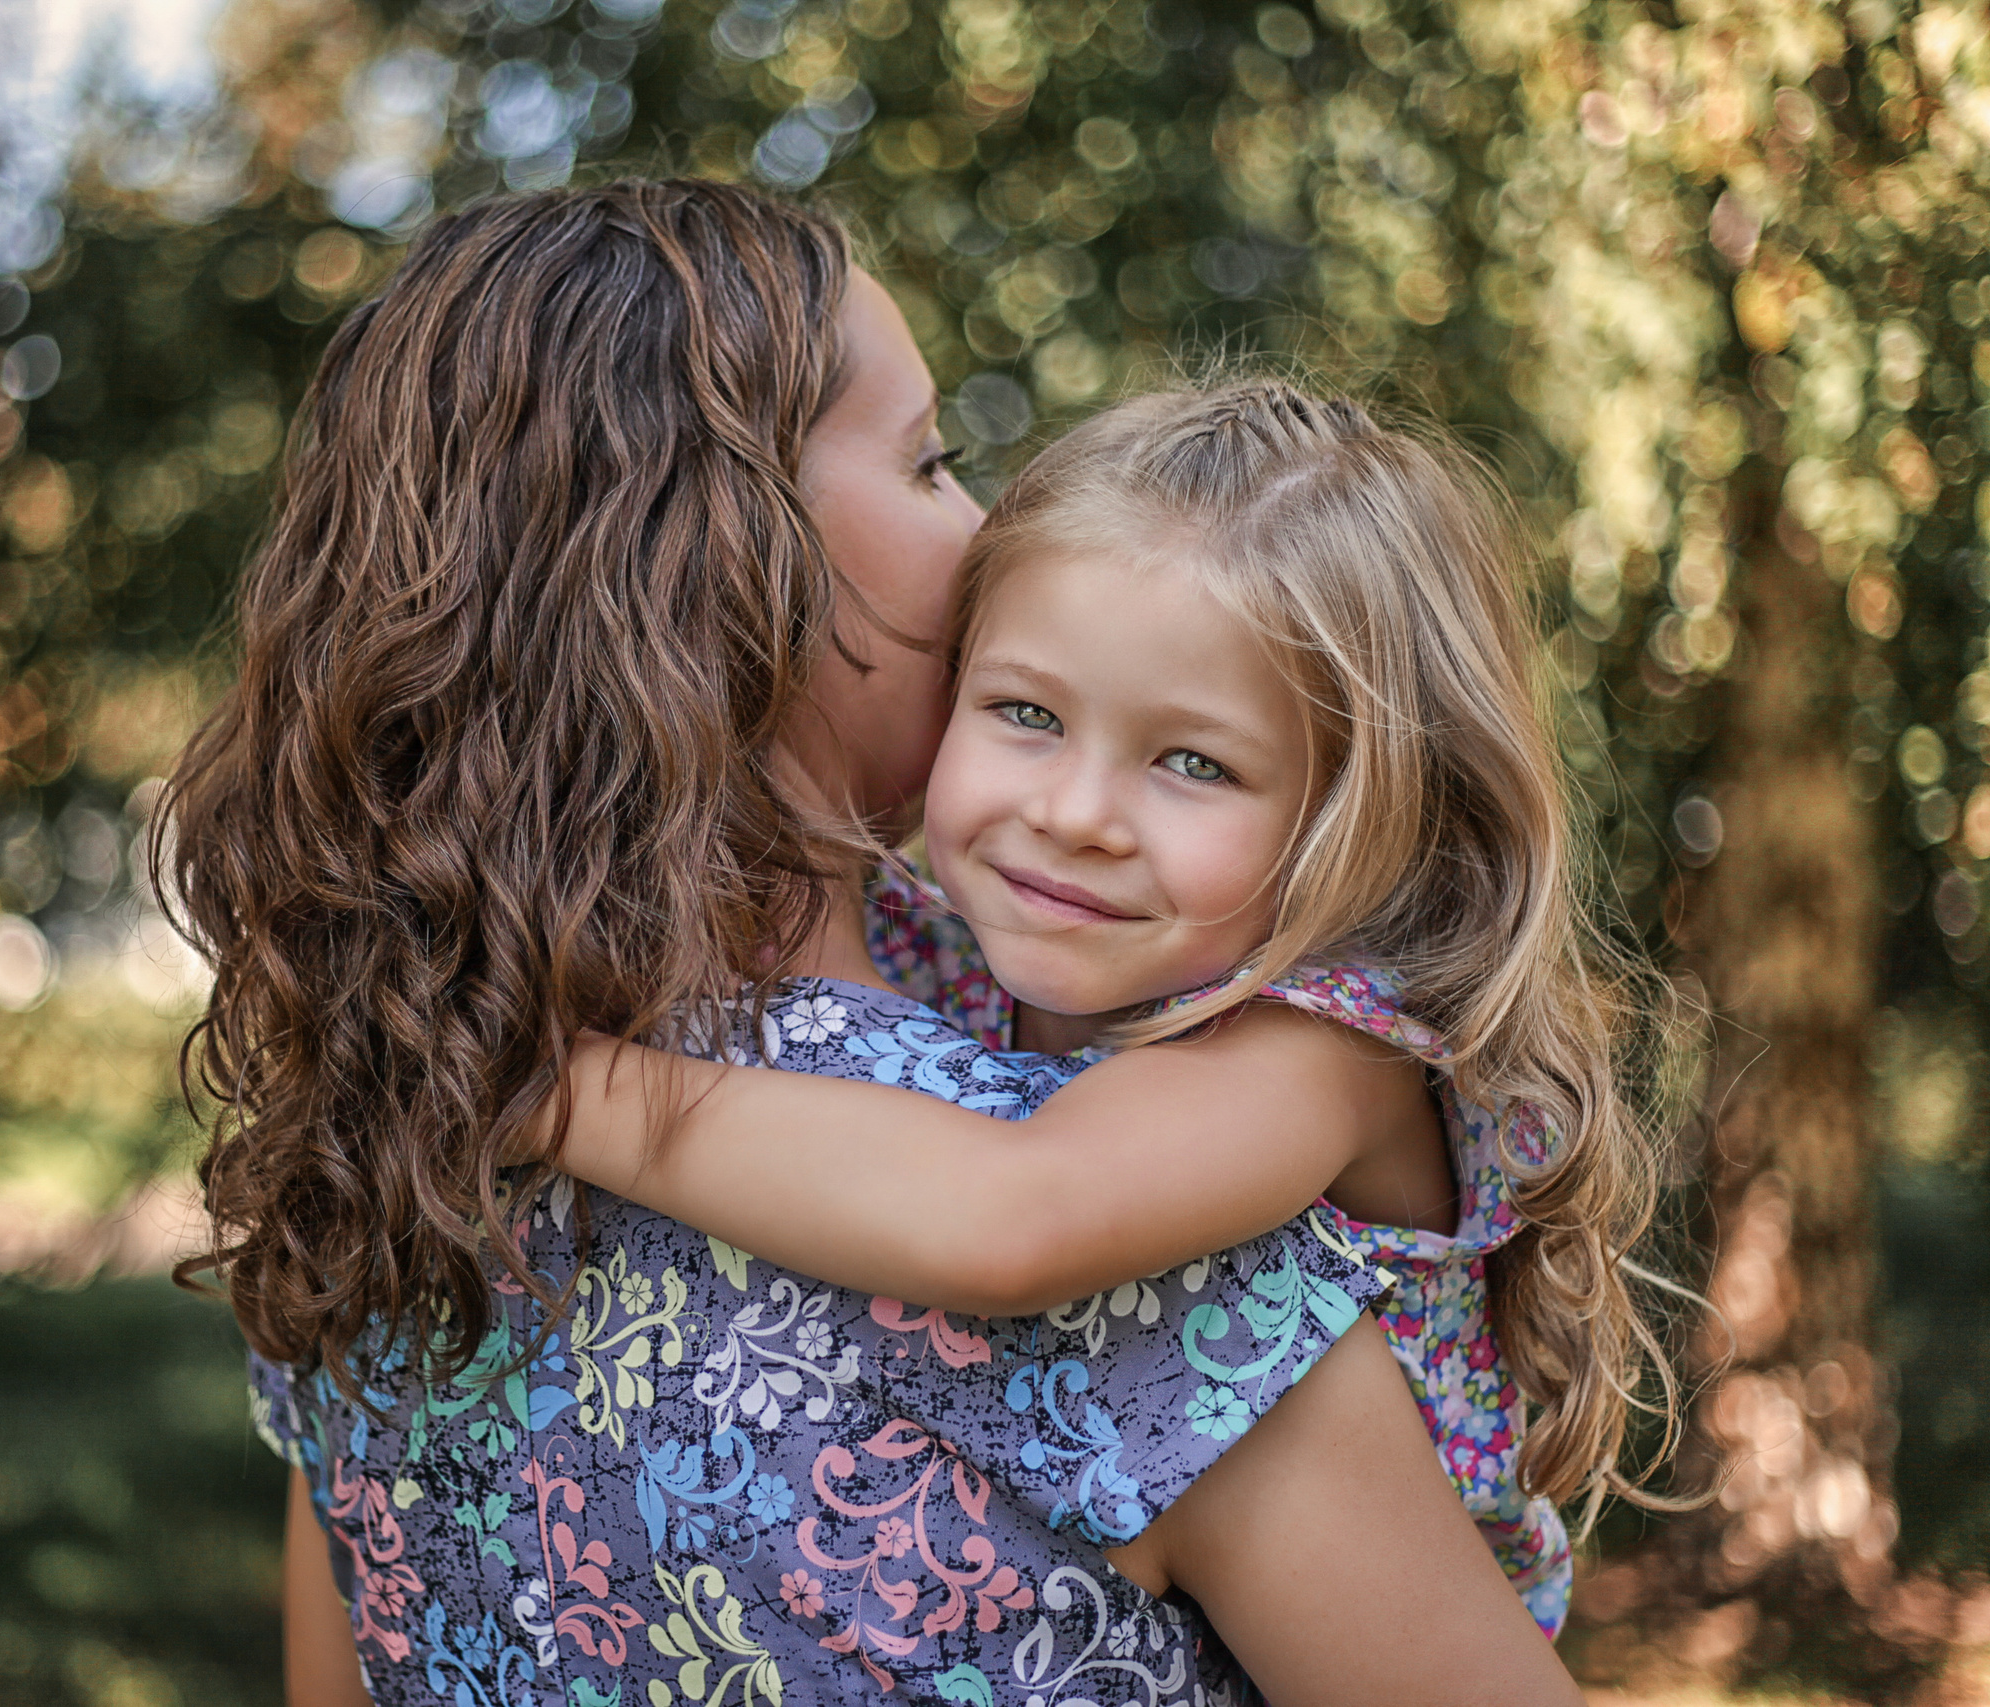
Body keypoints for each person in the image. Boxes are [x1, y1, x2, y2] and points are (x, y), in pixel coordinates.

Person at [154, 179, 1581, 1706]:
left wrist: (533, 1082)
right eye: (930, 461)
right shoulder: (1168, 1278)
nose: (983, 539)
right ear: (723, 556)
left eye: (1192, 762)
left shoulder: (385, 1154)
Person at [552, 379, 1685, 1639]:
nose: (1075, 814)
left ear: (1360, 815)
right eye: (1026, 714)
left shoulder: (1321, 1048)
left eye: (1192, 763)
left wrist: (559, 1090)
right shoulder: (955, 948)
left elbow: (1009, 1218)